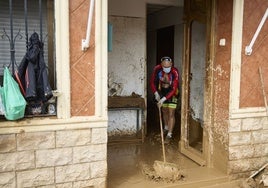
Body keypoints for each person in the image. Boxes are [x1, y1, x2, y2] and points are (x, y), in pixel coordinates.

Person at [150, 56, 179, 144]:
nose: (166, 68)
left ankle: (169, 134)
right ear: (161, 65)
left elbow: (174, 88)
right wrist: (155, 93)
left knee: (171, 113)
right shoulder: (157, 69)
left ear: (171, 64)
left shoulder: (175, 72)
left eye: (168, 66)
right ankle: (166, 128)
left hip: (172, 92)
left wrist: (164, 99)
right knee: (164, 111)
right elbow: (152, 82)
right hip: (161, 91)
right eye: (164, 67)